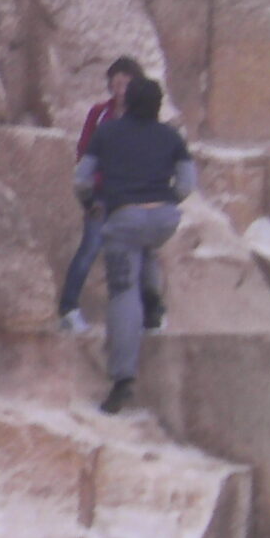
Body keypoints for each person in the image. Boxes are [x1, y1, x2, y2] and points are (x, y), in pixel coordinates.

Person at [76, 74, 196, 414]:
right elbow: (187, 183)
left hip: (124, 218)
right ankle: (154, 298)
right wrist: (166, 200)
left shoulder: (108, 132)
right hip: (162, 219)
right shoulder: (171, 136)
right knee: (146, 247)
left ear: (127, 101)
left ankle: (122, 380)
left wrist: (91, 204)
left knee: (123, 293)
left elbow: (81, 178)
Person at [57, 56, 145, 334]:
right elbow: (84, 151)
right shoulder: (98, 114)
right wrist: (88, 192)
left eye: (126, 82)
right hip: (100, 195)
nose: (120, 87)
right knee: (90, 248)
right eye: (116, 81)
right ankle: (68, 309)